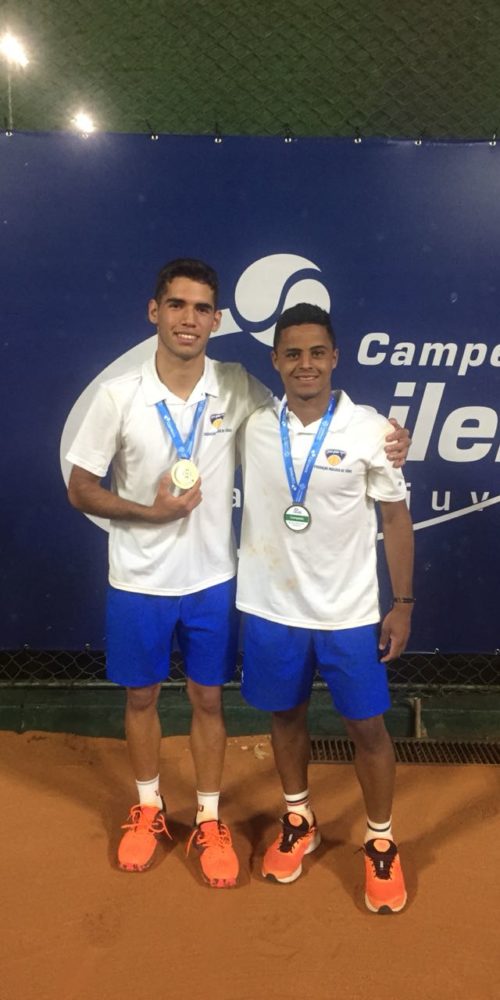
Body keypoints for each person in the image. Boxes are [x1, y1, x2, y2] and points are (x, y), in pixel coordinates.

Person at [66, 260, 410, 889]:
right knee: (141, 698)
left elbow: (317, 418)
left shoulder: (236, 390)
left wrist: (392, 439)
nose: (188, 319)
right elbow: (80, 487)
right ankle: (148, 809)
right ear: (155, 312)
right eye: (177, 305)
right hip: (139, 580)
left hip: (214, 580)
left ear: (216, 319)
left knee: (208, 701)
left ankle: (209, 818)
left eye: (201, 308)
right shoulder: (119, 395)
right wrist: (149, 512)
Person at [236, 302, 414, 913]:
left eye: (316, 352)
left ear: (335, 357)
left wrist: (403, 604)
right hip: (272, 608)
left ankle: (381, 840)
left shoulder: (372, 431)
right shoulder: (253, 425)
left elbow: (395, 519)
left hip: (349, 615)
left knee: (367, 729)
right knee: (285, 716)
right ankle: (299, 819)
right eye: (292, 353)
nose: (305, 363)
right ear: (275, 360)